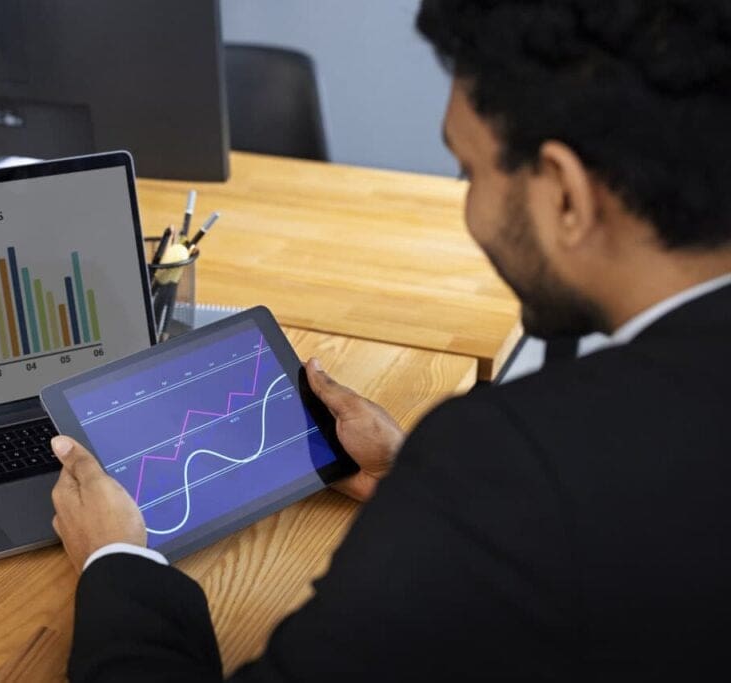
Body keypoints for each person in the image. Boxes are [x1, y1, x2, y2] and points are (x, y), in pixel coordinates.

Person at [49, 1, 731, 679]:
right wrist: (415, 480)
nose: (470, 206)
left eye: (469, 171)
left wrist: (117, 561)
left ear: (565, 195)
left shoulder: (516, 462)